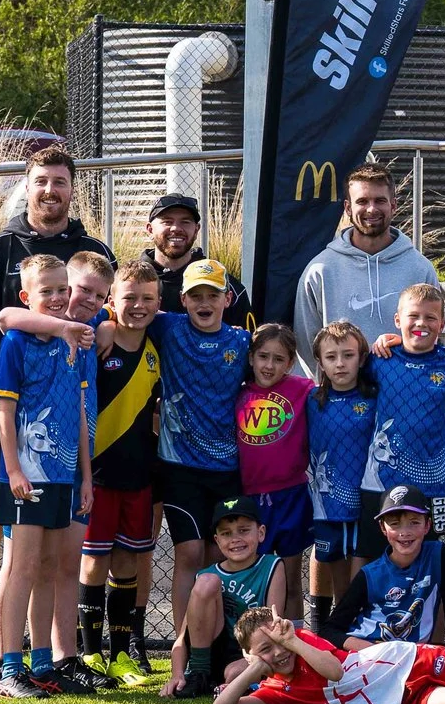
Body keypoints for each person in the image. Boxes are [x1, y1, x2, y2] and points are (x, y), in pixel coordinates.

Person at [0, 144, 109, 681]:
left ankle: (55, 658)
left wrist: (102, 333)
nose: (50, 191)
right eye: (41, 181)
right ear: (27, 185)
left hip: (67, 417)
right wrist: (34, 383)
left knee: (57, 547)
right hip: (6, 410)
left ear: (72, 188)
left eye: (60, 181)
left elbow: (106, 315)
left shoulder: (90, 248)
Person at [0, 254, 93, 699]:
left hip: (64, 474)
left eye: (61, 288)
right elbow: (6, 412)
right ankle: (9, 667)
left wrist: (86, 477)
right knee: (23, 567)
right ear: (27, 297)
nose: (55, 298)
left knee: (50, 568)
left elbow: (82, 417)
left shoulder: (77, 342)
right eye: (45, 291)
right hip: (27, 473)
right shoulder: (16, 341)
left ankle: (44, 663)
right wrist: (13, 469)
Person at [145, 258, 251, 643]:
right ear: (183, 301)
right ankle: (183, 645)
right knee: (189, 553)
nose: (204, 303)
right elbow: (122, 313)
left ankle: (215, 643)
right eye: (195, 296)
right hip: (179, 465)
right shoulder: (168, 327)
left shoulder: (243, 342)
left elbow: (279, 361)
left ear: (227, 299)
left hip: (227, 468)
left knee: (217, 556)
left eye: (212, 295)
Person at [73, 258, 162, 686]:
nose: (138, 306)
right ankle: (89, 655)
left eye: (147, 298)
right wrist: (105, 325)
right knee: (93, 563)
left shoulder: (158, 347)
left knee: (128, 561)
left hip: (139, 475)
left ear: (159, 303)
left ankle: (121, 655)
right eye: (129, 298)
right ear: (112, 301)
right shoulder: (97, 342)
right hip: (98, 475)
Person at [220, 608, 445, 704]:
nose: (278, 652)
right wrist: (255, 669)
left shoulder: (301, 643)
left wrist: (293, 641)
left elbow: (334, 670)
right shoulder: (276, 692)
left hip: (405, 660)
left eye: (279, 641)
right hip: (402, 697)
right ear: (249, 654)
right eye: (266, 649)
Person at [293, 163, 439, 374]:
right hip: (340, 399)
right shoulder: (320, 271)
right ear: (348, 208)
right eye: (362, 201)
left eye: (380, 200)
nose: (371, 209)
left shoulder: (420, 269)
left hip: (403, 396)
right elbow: (308, 347)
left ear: (393, 205)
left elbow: (431, 335)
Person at [359, 281, 445, 545]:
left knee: (435, 553)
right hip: (381, 478)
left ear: (442, 325)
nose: (421, 323)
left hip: (433, 482)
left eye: (430, 317)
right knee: (369, 553)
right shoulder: (380, 360)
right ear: (398, 320)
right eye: (413, 316)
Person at [234, 322, 315, 622]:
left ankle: (294, 645)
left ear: (290, 363)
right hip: (251, 500)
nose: (269, 365)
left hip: (291, 496)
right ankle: (254, 647)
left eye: (278, 359)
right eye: (263, 356)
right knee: (255, 579)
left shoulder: (303, 390)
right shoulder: (238, 392)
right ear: (251, 357)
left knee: (291, 577)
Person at [334, 485, 445, 654]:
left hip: (413, 657)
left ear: (427, 525)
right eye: (395, 524)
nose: (404, 532)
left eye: (414, 522)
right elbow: (330, 630)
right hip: (371, 656)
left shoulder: (437, 555)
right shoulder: (370, 574)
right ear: (383, 528)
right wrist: (371, 650)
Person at [304, 320, 378, 640]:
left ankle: (355, 633)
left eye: (348, 355)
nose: (340, 363)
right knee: (335, 569)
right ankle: (330, 634)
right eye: (331, 357)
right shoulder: (310, 401)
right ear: (320, 362)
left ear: (361, 359)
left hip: (365, 501)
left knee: (361, 576)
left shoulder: (375, 397)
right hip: (326, 503)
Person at [168, 496, 283, 699]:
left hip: (251, 652)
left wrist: (254, 658)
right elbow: (182, 638)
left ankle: (226, 682)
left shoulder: (271, 566)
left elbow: (275, 625)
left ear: (261, 533)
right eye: (226, 534)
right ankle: (199, 672)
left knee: (233, 673)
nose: (235, 539)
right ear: (217, 540)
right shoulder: (206, 574)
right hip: (212, 650)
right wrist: (177, 675)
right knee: (207, 581)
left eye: (244, 530)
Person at [141, 191, 247, 320]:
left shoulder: (224, 285)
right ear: (150, 229)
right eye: (167, 222)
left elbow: (247, 337)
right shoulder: (130, 282)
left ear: (196, 230)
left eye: (185, 222)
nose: (176, 228)